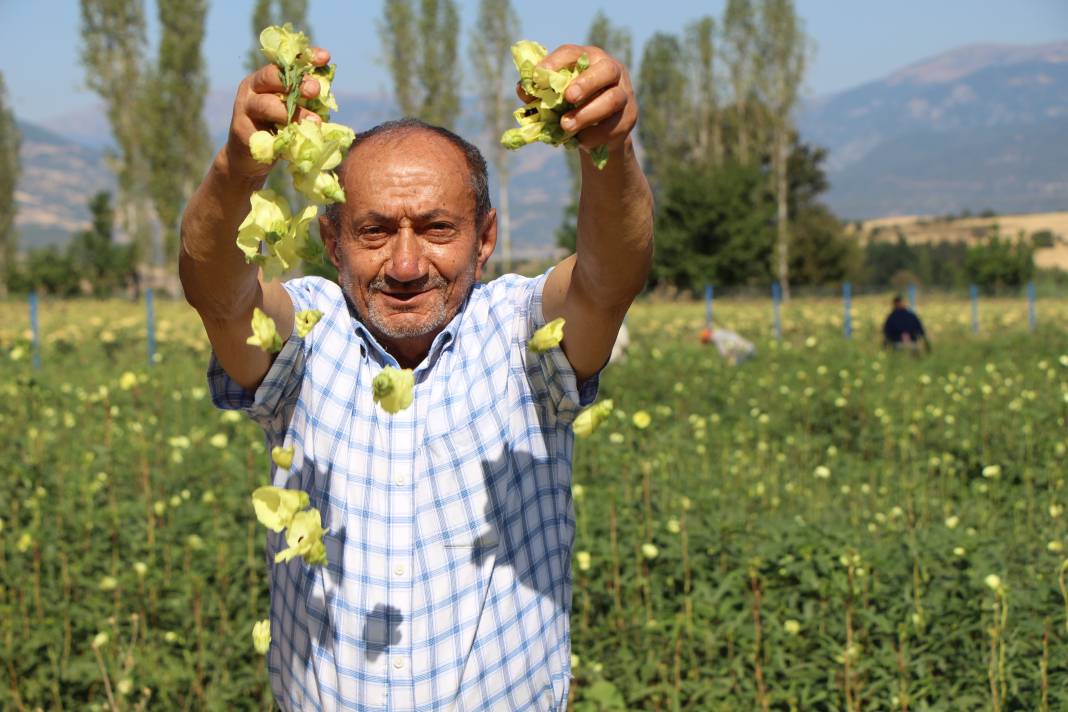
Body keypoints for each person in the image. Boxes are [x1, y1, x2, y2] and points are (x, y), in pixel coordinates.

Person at [178, 40, 651, 711]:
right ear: (333, 242)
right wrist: (236, 168)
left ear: (484, 240)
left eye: (437, 229)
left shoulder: (520, 331)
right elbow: (218, 294)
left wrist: (611, 150)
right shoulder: (309, 332)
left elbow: (608, 279)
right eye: (374, 232)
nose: (405, 265)